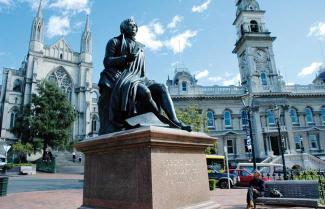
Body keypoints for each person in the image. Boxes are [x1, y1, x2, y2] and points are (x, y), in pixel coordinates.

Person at [98, 18, 191, 134]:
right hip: (123, 78)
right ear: (123, 28)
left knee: (162, 87)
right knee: (145, 92)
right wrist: (125, 58)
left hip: (139, 78)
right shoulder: (114, 42)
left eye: (135, 26)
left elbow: (141, 71)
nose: (133, 27)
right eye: (130, 25)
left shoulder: (140, 48)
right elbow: (107, 61)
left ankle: (175, 121)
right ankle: (158, 117)